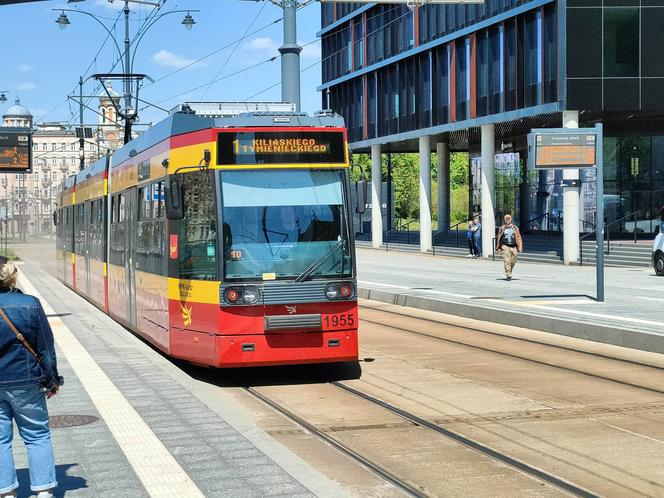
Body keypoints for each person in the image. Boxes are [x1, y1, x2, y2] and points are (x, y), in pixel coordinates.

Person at [0, 258, 61, 498]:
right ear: (13, 278)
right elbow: (45, 346)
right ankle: (43, 491)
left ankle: (6, 492)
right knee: (37, 435)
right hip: (27, 381)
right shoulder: (31, 304)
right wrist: (52, 379)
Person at [496, 214, 523, 280]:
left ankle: (509, 270)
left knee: (513, 260)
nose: (507, 220)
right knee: (507, 260)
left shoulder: (515, 227)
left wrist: (520, 247)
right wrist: (498, 247)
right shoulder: (502, 228)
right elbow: (499, 238)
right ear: (504, 220)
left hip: (514, 246)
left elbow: (519, 237)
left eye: (509, 218)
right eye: (506, 219)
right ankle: (508, 274)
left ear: (511, 219)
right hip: (505, 246)